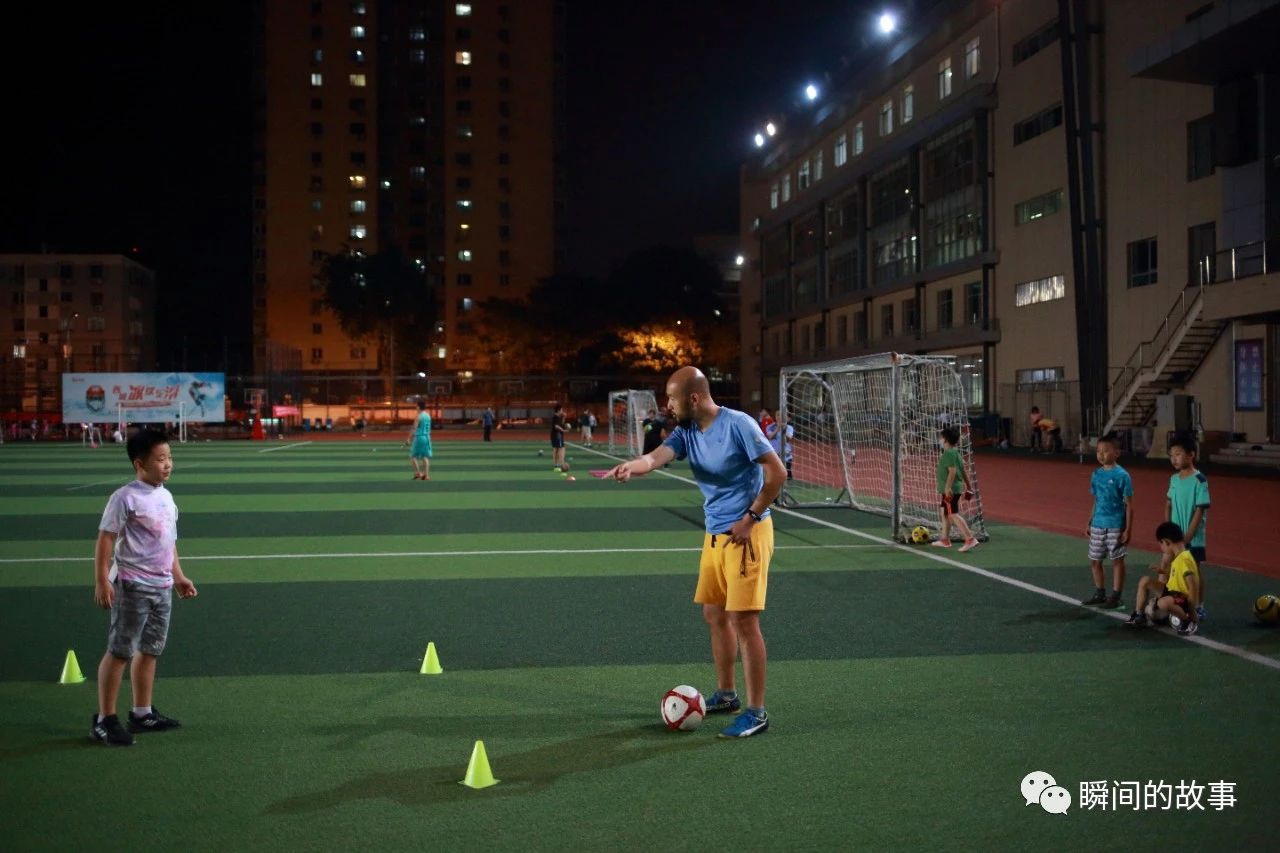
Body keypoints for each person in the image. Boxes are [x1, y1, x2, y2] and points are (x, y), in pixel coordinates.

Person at [608, 366, 786, 738]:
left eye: (672, 398)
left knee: (744, 622)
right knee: (714, 613)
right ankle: (726, 694)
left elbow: (777, 474)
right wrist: (633, 466)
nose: (667, 405)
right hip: (715, 535)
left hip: (746, 536)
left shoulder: (739, 425)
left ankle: (757, 712)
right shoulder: (688, 432)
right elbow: (657, 456)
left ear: (693, 397)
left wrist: (751, 518)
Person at [91, 429, 198, 746]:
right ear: (140, 463)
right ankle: (104, 719)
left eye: (170, 458)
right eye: (161, 459)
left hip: (162, 584)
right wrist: (101, 580)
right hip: (132, 584)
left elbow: (169, 541)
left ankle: (141, 713)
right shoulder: (125, 497)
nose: (168, 464)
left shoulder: (166, 495)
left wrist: (178, 575)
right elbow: (105, 539)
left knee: (150, 649)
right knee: (120, 651)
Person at [1080, 433, 1132, 609]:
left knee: (1117, 560)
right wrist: (1089, 521)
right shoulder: (1096, 474)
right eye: (1098, 451)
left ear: (1117, 453)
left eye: (1106, 451)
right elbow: (1097, 500)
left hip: (1116, 525)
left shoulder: (1122, 475)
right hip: (1098, 524)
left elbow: (1129, 506)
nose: (1101, 455)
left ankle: (1116, 596)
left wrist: (1127, 529)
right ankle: (1100, 593)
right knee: (1095, 560)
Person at [1126, 522, 1200, 635]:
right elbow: (1180, 576)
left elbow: (1192, 585)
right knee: (1145, 581)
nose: (1161, 548)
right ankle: (1139, 615)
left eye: (1161, 544)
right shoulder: (1180, 556)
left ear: (1167, 542)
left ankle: (1188, 621)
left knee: (1162, 603)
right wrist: (1163, 572)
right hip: (1173, 592)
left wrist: (1191, 608)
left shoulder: (1184, 560)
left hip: (1181, 598)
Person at [1165, 433, 1210, 618]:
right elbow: (1168, 504)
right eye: (1171, 455)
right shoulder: (1174, 479)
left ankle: (1199, 605)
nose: (1173, 459)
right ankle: (1174, 602)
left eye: (1178, 454)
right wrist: (1168, 530)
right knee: (1171, 567)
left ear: (1191, 455)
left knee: (1194, 570)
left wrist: (1188, 536)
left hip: (1193, 537)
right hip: (1174, 537)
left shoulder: (1200, 480)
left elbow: (1200, 510)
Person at [933, 427, 980, 552]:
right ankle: (945, 539)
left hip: (951, 490)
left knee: (952, 513)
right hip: (954, 489)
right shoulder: (956, 453)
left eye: (941, 437)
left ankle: (970, 539)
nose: (940, 439)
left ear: (946, 440)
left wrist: (948, 488)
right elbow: (963, 471)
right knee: (945, 512)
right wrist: (969, 487)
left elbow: (953, 472)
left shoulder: (948, 454)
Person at [404, 399, 432, 480]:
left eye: (416, 406)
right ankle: (426, 475)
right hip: (427, 437)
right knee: (425, 457)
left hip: (419, 437)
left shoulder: (419, 417)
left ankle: (417, 473)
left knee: (413, 456)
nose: (416, 407)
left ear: (419, 407)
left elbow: (414, 429)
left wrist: (408, 439)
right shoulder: (428, 416)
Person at [550, 403, 568, 472]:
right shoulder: (556, 417)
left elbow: (562, 424)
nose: (562, 411)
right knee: (561, 449)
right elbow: (556, 426)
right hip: (557, 435)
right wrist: (563, 430)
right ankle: (561, 465)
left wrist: (564, 417)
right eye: (561, 410)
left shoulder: (558, 417)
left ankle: (556, 465)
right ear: (559, 410)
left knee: (557, 449)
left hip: (556, 435)